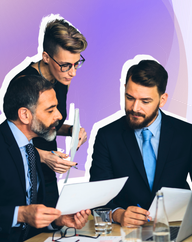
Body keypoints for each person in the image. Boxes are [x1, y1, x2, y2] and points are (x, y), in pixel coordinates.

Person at [90, 60, 192, 227]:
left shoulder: (187, 134)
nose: (135, 108)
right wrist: (118, 214)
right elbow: (97, 197)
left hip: (177, 226)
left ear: (162, 99)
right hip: (126, 232)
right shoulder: (107, 136)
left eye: (145, 101)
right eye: (130, 98)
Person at [0, 75, 90, 242]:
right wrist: (20, 214)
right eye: (50, 110)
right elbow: (23, 214)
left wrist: (57, 220)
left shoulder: (29, 148)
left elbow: (34, 214)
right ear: (25, 115)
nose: (58, 115)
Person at [10, 18, 88, 208]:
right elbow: (8, 141)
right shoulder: (24, 84)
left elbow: (48, 123)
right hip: (21, 175)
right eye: (66, 65)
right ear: (46, 57)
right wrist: (43, 156)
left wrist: (72, 130)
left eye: (76, 63)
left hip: (48, 172)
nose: (72, 73)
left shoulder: (60, 77)